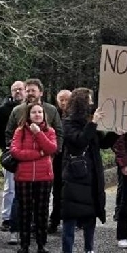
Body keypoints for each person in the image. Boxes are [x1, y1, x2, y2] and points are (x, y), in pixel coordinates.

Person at [59, 88, 121, 253]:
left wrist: (116, 133)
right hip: (75, 175)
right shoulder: (68, 122)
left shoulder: (89, 122)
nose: (92, 103)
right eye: (89, 100)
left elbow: (101, 143)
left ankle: (89, 251)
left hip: (92, 173)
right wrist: (93, 123)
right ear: (81, 102)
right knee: (70, 214)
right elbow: (79, 141)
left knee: (90, 214)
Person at [10, 102, 57, 253]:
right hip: (24, 177)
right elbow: (16, 152)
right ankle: (24, 245)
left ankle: (41, 244)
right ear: (28, 115)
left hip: (44, 177)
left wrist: (38, 133)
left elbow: (51, 149)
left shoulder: (49, 131)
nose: (37, 115)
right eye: (34, 112)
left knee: (42, 211)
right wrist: (39, 154)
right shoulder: (20, 131)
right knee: (24, 211)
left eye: (40, 112)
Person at [0, 81, 25, 242]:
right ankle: (7, 217)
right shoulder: (3, 110)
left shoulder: (33, 109)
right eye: (14, 89)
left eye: (20, 89)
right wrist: (4, 146)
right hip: (11, 153)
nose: (18, 92)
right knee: (9, 187)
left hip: (29, 153)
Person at [49, 89, 71, 234]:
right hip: (56, 157)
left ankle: (71, 218)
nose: (63, 102)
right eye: (61, 99)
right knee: (56, 190)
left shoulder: (76, 115)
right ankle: (54, 219)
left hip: (70, 157)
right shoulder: (52, 114)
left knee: (70, 190)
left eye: (66, 99)